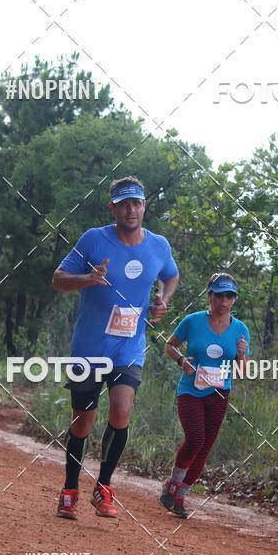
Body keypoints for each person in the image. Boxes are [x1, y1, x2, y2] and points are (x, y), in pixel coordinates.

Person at [52, 176, 179, 519]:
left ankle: (104, 487)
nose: (131, 209)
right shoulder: (94, 240)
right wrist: (87, 279)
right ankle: (69, 489)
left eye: (136, 202)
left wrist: (163, 301)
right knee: (83, 422)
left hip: (129, 348)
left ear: (144, 206)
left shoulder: (158, 246)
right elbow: (58, 278)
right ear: (113, 208)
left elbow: (171, 275)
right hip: (89, 348)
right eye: (123, 204)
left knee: (121, 412)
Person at [160, 273, 250, 518]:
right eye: (219, 295)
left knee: (205, 447)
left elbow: (241, 373)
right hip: (191, 390)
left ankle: (180, 495)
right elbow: (170, 345)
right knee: (196, 439)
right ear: (209, 296)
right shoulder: (193, 321)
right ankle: (172, 483)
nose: (224, 301)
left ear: (234, 299)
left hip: (219, 394)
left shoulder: (241, 329)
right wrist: (181, 360)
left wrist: (241, 355)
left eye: (229, 296)